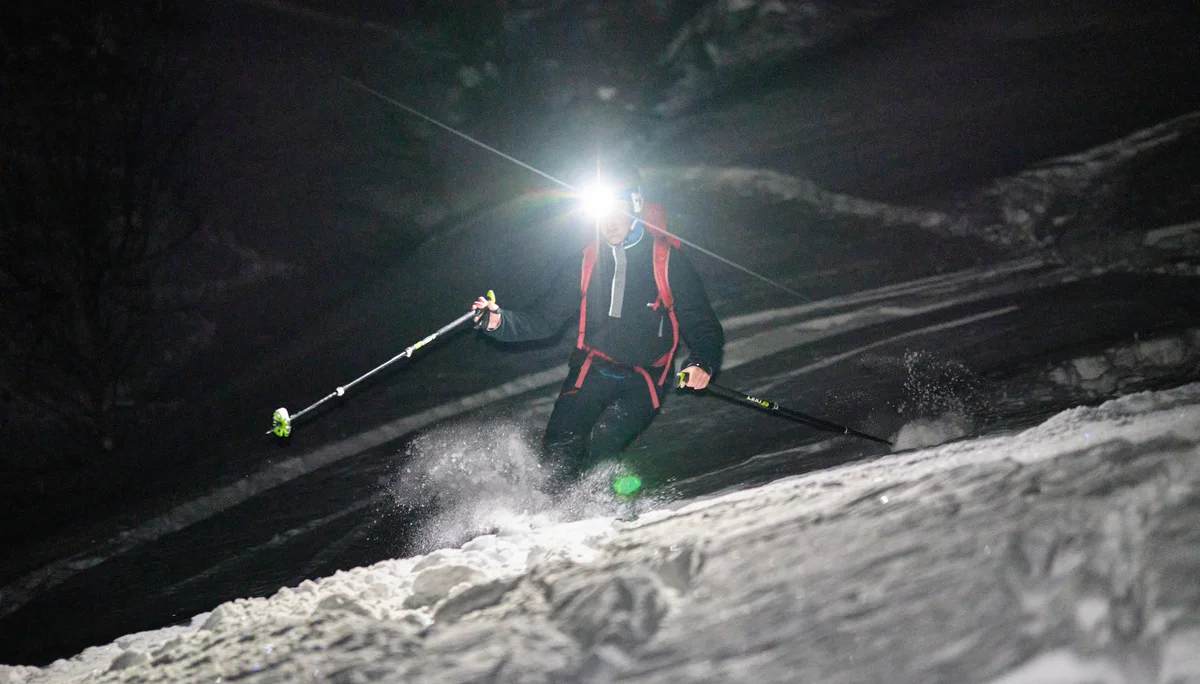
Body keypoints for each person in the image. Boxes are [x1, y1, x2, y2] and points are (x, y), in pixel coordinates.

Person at [471, 165, 724, 488]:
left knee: (603, 445)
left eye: (618, 209)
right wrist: (499, 321)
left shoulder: (667, 261)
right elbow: (545, 319)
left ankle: (599, 509)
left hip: (645, 378)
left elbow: (702, 325)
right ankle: (545, 514)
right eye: (602, 212)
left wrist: (702, 362)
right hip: (591, 369)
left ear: (635, 206)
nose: (610, 221)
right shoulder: (586, 261)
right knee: (558, 452)